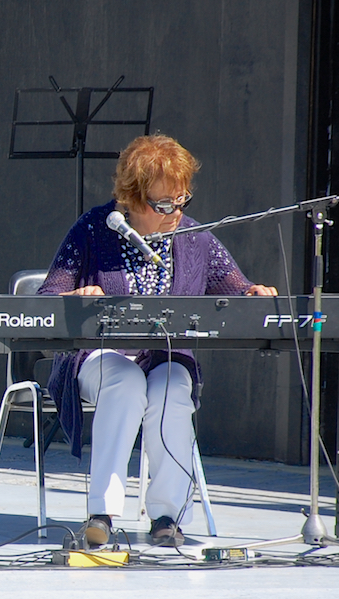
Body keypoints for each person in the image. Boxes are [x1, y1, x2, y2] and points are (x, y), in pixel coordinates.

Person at [37, 134, 277, 547]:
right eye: (162, 204)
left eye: (181, 201)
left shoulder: (195, 237)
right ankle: (102, 514)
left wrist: (254, 294)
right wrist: (75, 297)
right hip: (101, 356)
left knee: (171, 388)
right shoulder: (94, 229)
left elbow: (236, 288)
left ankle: (167, 516)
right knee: (126, 382)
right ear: (131, 198)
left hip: (163, 358)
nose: (174, 213)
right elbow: (47, 297)